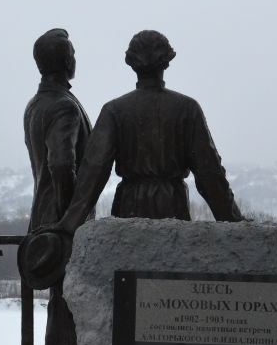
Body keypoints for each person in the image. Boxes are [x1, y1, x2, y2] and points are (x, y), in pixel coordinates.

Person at [56, 29, 245, 232]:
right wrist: (232, 219)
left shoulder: (114, 110)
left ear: (131, 63)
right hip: (172, 206)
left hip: (129, 207)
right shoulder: (187, 108)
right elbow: (210, 174)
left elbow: (93, 173)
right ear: (166, 62)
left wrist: (70, 222)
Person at [23, 28, 92, 345]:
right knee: (67, 312)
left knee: (61, 309)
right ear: (65, 61)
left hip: (44, 218)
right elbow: (62, 164)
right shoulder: (63, 106)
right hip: (62, 225)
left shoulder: (37, 103)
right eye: (73, 52)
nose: (75, 58)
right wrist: (72, 218)